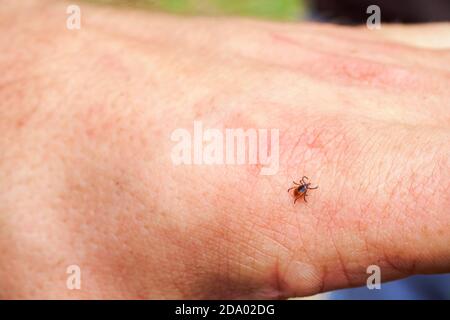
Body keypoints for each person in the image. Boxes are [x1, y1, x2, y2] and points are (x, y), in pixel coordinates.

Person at [0, 0, 449, 299]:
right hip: (353, 46)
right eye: (303, 186)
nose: (303, 187)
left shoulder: (302, 184)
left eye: (303, 187)